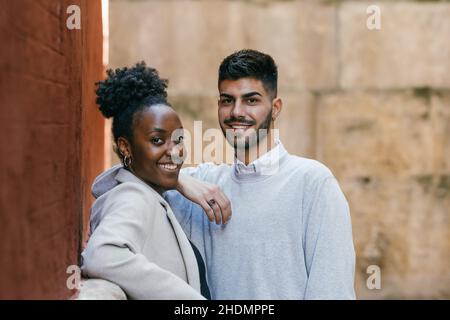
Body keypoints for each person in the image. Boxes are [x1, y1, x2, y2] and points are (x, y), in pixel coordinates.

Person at [165, 49, 356, 299]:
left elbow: (333, 292)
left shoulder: (313, 183)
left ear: (275, 108)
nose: (236, 112)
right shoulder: (204, 184)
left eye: (251, 100)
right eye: (227, 100)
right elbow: (114, 184)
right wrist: (178, 180)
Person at [80, 62, 210, 300]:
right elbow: (102, 253)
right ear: (125, 147)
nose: (175, 151)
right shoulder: (133, 197)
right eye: (158, 140)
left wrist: (180, 181)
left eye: (178, 139)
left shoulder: (152, 194)